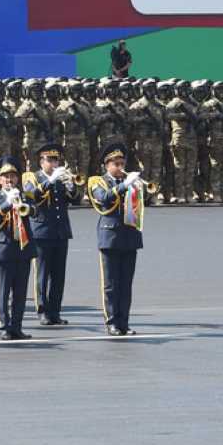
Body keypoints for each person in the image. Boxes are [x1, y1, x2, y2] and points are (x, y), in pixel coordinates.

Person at [87, 144, 147, 336]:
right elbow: (103, 198)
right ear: (107, 165)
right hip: (110, 236)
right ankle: (112, 322)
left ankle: (124, 322)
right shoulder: (97, 181)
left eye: (122, 163)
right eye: (116, 164)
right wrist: (124, 186)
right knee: (111, 284)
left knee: (126, 283)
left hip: (129, 235)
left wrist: (137, 188)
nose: (121, 167)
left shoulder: (128, 182)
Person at [21, 142, 75, 327]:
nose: (54, 164)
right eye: (50, 160)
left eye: (56, 160)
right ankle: (43, 310)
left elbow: (72, 199)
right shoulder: (32, 177)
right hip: (42, 231)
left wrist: (71, 185)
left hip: (61, 231)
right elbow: (31, 196)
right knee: (43, 274)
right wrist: (50, 182)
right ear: (41, 161)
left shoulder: (61, 178)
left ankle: (55, 311)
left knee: (59, 275)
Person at [0, 156, 34, 340]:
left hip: (23, 248)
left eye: (12, 176)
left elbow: (34, 211)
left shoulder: (25, 194)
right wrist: (7, 203)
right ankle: (4, 327)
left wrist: (24, 204)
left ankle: (17, 326)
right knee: (3, 292)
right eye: (5, 176)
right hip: (3, 249)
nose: (9, 179)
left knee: (20, 292)